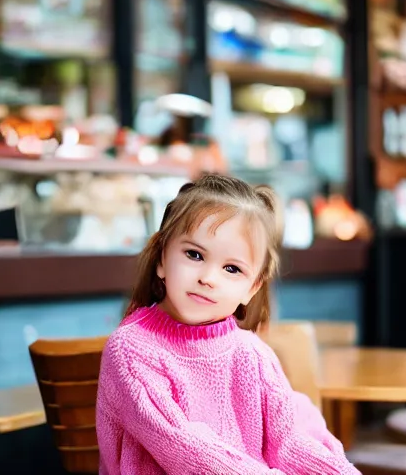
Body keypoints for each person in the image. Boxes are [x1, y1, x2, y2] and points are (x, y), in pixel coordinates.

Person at [96, 173, 360, 474]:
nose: (208, 278)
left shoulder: (253, 354)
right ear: (161, 260)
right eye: (194, 254)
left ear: (252, 288)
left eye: (232, 269)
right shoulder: (131, 350)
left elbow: (289, 442)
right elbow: (186, 449)